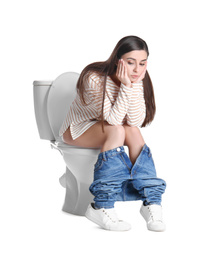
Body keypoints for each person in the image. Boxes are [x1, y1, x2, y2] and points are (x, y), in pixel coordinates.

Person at [59, 35, 166, 232]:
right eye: (130, 62)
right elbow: (114, 120)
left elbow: (135, 121)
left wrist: (133, 85)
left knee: (132, 132)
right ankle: (102, 205)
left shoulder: (138, 78)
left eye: (142, 63)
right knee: (117, 130)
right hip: (77, 129)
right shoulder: (94, 78)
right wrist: (127, 86)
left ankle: (151, 202)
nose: (136, 69)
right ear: (118, 60)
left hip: (107, 128)